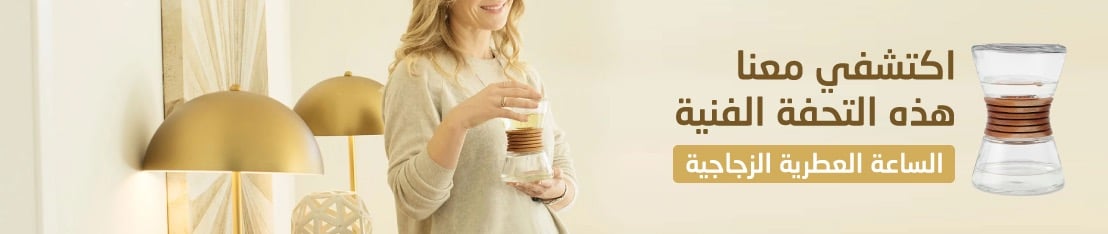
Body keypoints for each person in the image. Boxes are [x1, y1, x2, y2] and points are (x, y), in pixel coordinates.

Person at [381, 0, 577, 233]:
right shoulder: (417, 75)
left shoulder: (522, 74)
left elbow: (563, 169)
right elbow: (413, 201)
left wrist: (556, 189)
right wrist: (458, 122)